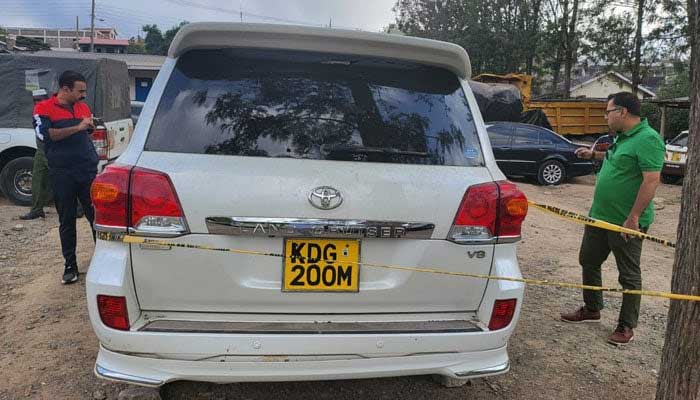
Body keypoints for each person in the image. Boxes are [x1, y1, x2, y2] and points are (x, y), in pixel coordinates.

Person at [560, 92, 665, 345]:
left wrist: (634, 217)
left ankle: (626, 325)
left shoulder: (648, 139)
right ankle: (592, 308)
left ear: (623, 112)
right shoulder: (621, 138)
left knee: (628, 275)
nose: (606, 116)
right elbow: (619, 162)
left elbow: (651, 180)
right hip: (599, 217)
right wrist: (594, 155)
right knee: (588, 260)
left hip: (625, 222)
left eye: (608, 112)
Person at [33, 71, 98, 284]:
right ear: (65, 89)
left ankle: (102, 260)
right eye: (80, 91)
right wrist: (78, 126)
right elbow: (45, 135)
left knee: (96, 217)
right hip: (62, 173)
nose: (83, 95)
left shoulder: (83, 107)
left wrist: (89, 126)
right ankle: (70, 266)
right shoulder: (43, 108)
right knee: (67, 220)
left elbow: (86, 134)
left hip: (87, 170)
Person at [20, 89, 52, 220]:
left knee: (63, 179)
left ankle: (78, 207)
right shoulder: (37, 111)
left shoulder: (51, 111)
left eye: (40, 99)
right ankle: (37, 209)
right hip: (41, 150)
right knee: (38, 180)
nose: (37, 102)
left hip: (52, 150)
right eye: (35, 100)